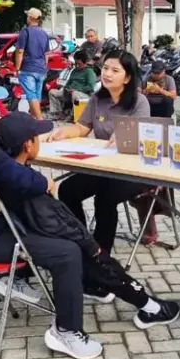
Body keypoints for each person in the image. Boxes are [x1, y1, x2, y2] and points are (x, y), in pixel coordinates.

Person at [0, 79, 103, 359]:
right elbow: (35, 182)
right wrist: (47, 183)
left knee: (41, 231)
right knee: (67, 252)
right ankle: (67, 330)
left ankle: (19, 282)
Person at [0, 112, 180, 328]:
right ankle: (150, 307)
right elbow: (57, 223)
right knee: (96, 256)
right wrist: (90, 244)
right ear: (28, 145)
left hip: (27, 234)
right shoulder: (29, 186)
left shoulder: (3, 171)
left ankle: (107, 287)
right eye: (37, 137)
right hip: (46, 241)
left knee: (89, 248)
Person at [47, 50, 150, 257]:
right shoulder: (97, 99)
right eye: (105, 68)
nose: (107, 74)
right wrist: (62, 132)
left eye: (114, 70)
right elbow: (82, 128)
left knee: (105, 198)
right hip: (102, 165)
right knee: (67, 190)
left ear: (127, 77)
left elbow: (144, 134)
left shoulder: (139, 102)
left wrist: (125, 136)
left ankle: (101, 255)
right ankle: (82, 240)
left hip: (133, 170)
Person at [15, 8, 49, 119]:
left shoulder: (25, 31)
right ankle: (34, 119)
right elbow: (46, 54)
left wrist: (17, 68)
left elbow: (20, 51)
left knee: (31, 95)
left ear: (30, 18)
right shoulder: (44, 33)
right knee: (36, 96)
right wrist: (44, 67)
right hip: (41, 69)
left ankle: (39, 120)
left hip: (29, 68)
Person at [47, 50, 95, 120]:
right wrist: (66, 88)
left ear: (85, 62)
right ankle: (58, 114)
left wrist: (77, 90)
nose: (77, 66)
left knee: (75, 93)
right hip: (69, 93)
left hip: (83, 95)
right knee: (52, 92)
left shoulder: (89, 72)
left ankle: (74, 115)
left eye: (79, 64)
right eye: (76, 64)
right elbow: (68, 83)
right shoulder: (74, 71)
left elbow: (90, 87)